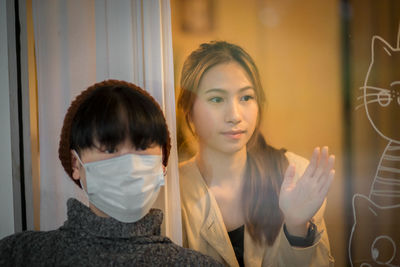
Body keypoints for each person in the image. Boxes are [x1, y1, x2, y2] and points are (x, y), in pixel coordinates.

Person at [0, 80, 222, 267]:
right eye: (110, 149)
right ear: (75, 164)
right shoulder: (20, 255)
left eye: (143, 147)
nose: (130, 165)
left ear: (162, 162)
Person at [177, 41, 335, 267]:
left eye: (246, 98)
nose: (235, 115)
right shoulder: (171, 191)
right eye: (216, 99)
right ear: (188, 110)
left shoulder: (295, 175)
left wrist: (297, 226)